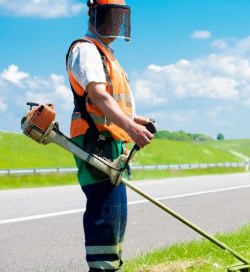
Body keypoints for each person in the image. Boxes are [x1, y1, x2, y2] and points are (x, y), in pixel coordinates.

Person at [65, 0, 154, 270]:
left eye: (119, 16)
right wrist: (132, 128)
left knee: (116, 213)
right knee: (105, 211)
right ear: (93, 13)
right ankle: (102, 269)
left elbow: (111, 102)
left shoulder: (106, 53)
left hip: (110, 142)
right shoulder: (86, 49)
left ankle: (110, 267)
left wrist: (137, 120)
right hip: (95, 141)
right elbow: (98, 96)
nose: (115, 22)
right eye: (110, 15)